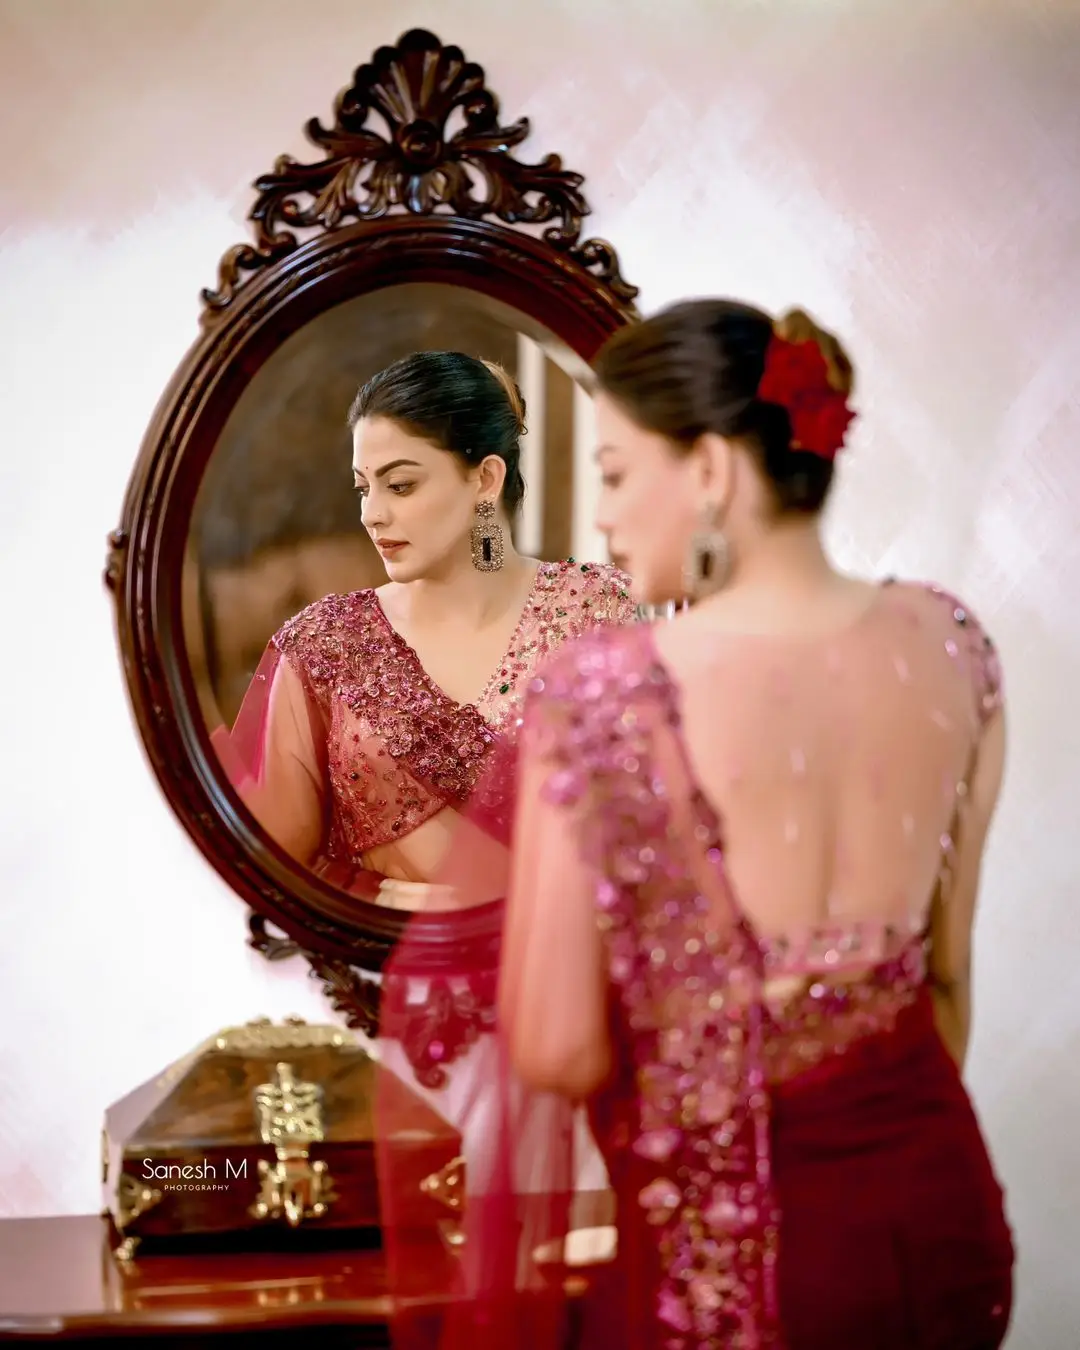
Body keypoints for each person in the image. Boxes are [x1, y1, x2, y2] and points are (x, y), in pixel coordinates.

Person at [379, 303, 1014, 1349]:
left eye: (620, 477)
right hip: (942, 1219)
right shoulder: (952, 648)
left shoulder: (601, 693)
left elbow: (561, 1048)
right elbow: (944, 984)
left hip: (738, 1260)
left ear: (713, 472)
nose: (607, 523)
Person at [211, 349, 636, 914]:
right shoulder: (323, 645)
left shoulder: (598, 612)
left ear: (485, 478)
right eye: (364, 488)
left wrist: (514, 906)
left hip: (565, 975)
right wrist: (380, 904)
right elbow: (269, 871)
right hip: (381, 973)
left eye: (401, 485)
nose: (371, 514)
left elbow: (652, 842)